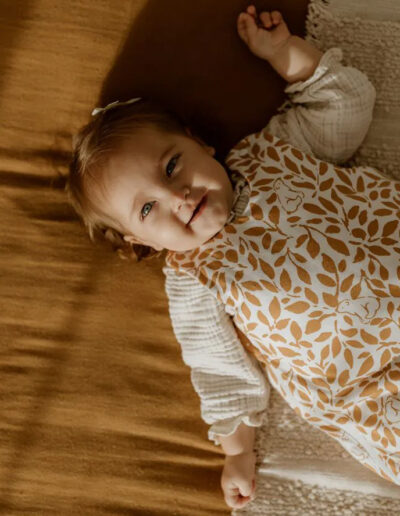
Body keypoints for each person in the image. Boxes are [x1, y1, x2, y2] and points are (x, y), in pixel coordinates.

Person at [66, 5, 400, 510]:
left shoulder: (274, 151)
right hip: (367, 385)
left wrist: (284, 53)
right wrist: (238, 450)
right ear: (142, 242)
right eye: (148, 208)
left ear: (200, 143)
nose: (177, 196)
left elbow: (346, 104)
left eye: (172, 165)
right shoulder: (192, 278)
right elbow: (219, 370)